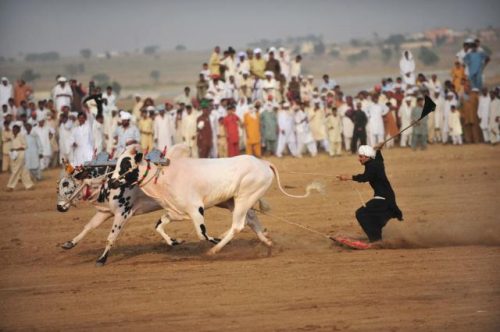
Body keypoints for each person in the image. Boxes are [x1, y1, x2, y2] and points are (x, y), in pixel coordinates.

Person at [337, 144, 403, 243]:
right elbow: (379, 158)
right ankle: (377, 237)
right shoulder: (376, 162)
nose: (359, 159)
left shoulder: (372, 166)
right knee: (371, 216)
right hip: (387, 197)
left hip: (383, 199)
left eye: (361, 156)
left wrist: (348, 177)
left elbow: (365, 177)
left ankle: (375, 240)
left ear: (367, 157)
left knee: (361, 213)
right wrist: (378, 149)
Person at [6, 123, 34, 191]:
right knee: (23, 171)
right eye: (13, 129)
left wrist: (16, 149)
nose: (14, 131)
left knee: (15, 171)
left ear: (18, 130)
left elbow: (25, 146)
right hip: (14, 156)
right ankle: (29, 185)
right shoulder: (12, 136)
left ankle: (10, 186)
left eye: (15, 130)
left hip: (21, 155)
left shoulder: (20, 136)